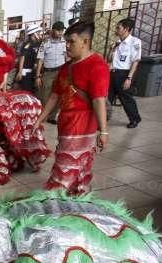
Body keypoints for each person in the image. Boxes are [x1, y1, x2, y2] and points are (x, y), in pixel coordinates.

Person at [34, 20, 110, 195]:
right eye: (66, 42)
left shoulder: (97, 66)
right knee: (72, 163)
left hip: (82, 124)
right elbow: (55, 95)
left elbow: (99, 100)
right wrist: (40, 119)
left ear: (85, 41)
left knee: (69, 165)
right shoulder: (67, 67)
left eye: (71, 42)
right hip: (66, 121)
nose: (67, 46)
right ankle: (75, 197)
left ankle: (57, 199)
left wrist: (103, 131)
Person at [108, 18, 142, 129]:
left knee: (126, 98)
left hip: (124, 74)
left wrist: (129, 78)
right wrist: (111, 50)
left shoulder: (135, 42)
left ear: (126, 29)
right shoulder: (117, 43)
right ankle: (103, 119)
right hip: (112, 73)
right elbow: (109, 59)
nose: (116, 29)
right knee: (107, 98)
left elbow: (135, 61)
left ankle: (134, 119)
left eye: (118, 27)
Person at [36, 21, 67, 124]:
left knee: (59, 95)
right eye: (59, 30)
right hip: (48, 73)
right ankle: (44, 115)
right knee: (45, 95)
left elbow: (67, 57)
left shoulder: (64, 42)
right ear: (53, 30)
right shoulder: (45, 43)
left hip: (61, 71)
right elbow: (40, 59)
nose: (60, 33)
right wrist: (38, 76)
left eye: (62, 31)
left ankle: (52, 116)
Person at [16, 25, 43, 92]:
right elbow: (22, 57)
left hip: (34, 72)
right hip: (26, 72)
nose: (39, 34)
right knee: (27, 91)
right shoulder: (27, 44)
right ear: (34, 34)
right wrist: (20, 71)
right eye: (38, 32)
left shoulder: (38, 43)